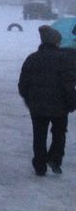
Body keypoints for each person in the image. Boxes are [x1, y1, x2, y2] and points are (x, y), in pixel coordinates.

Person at [18, 25, 76, 175]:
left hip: (37, 106)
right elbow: (69, 84)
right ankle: (55, 158)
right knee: (59, 133)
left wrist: (29, 99)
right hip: (60, 106)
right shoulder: (64, 59)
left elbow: (23, 84)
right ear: (56, 42)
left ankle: (39, 166)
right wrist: (72, 102)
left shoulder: (32, 59)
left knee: (39, 135)